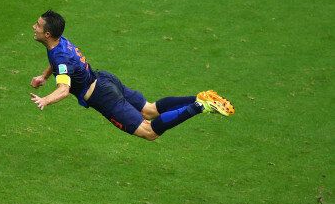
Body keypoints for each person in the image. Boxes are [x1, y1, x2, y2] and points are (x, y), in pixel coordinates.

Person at [29, 10, 234, 141]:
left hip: (102, 95)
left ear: (48, 34)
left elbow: (64, 89)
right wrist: (45, 76)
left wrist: (45, 100)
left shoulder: (60, 56)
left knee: (149, 132)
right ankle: (201, 97)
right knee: (150, 110)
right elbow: (59, 63)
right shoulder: (60, 41)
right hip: (105, 79)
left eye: (37, 25)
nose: (34, 27)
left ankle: (199, 106)